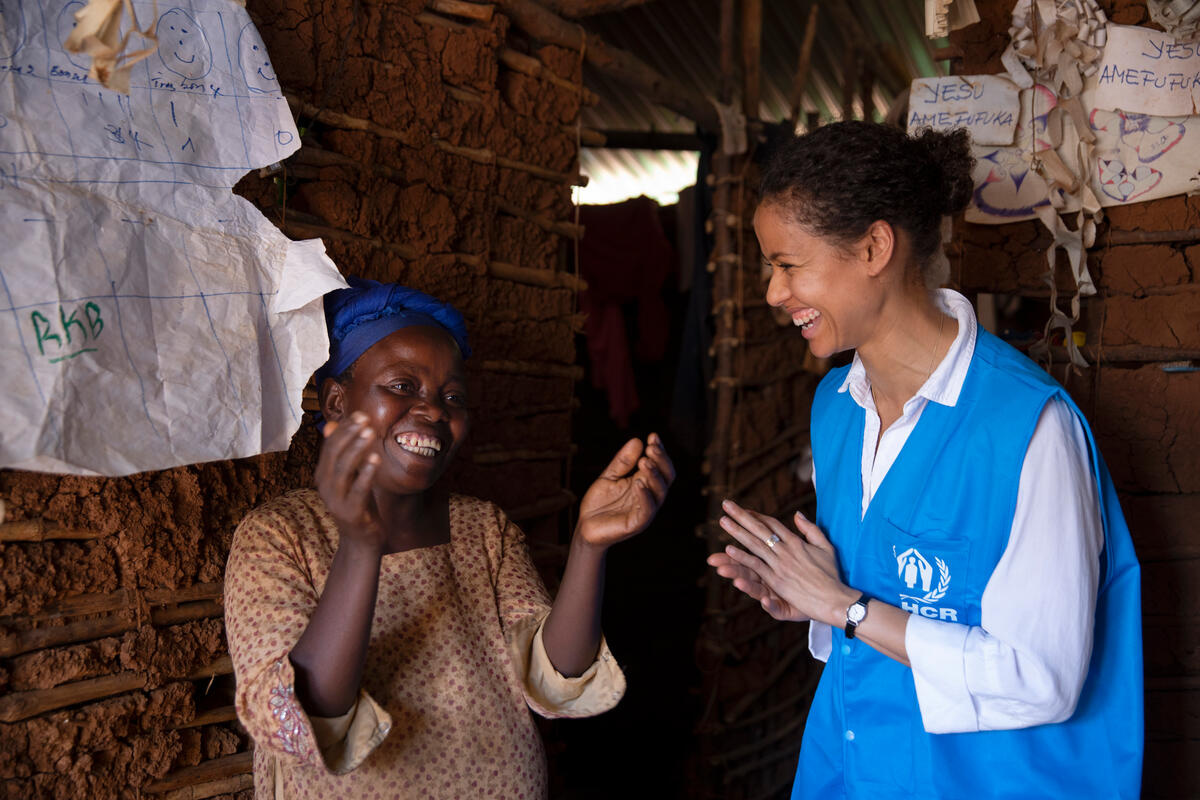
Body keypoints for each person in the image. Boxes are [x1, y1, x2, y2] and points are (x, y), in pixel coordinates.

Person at [707, 122, 1142, 799]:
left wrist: (845, 606)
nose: (773, 292)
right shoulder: (837, 408)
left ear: (874, 247)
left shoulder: (1028, 429)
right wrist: (811, 603)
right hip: (856, 771)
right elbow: (877, 607)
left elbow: (1044, 680)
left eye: (788, 265)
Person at [225, 278, 675, 799]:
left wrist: (589, 546)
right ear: (337, 402)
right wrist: (361, 546)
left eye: (452, 396)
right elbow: (304, 720)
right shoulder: (280, 537)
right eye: (402, 386)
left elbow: (557, 679)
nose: (434, 410)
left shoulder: (482, 529)